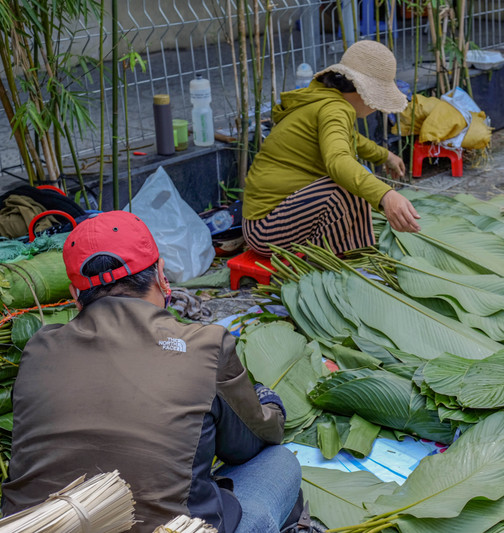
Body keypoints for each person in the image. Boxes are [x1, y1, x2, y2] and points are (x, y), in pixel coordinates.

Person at [1, 211, 304, 533]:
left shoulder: (37, 350)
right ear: (161, 275)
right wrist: (267, 401)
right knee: (279, 462)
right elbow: (249, 443)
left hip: (38, 526)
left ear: (76, 296)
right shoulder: (206, 345)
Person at [243, 40, 420, 257]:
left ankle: (354, 252)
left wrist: (386, 156)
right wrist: (386, 196)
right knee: (345, 187)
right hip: (266, 231)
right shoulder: (335, 109)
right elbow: (338, 161)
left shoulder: (325, 100)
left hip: (268, 221)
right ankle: (332, 261)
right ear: (363, 92)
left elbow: (353, 139)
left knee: (357, 181)